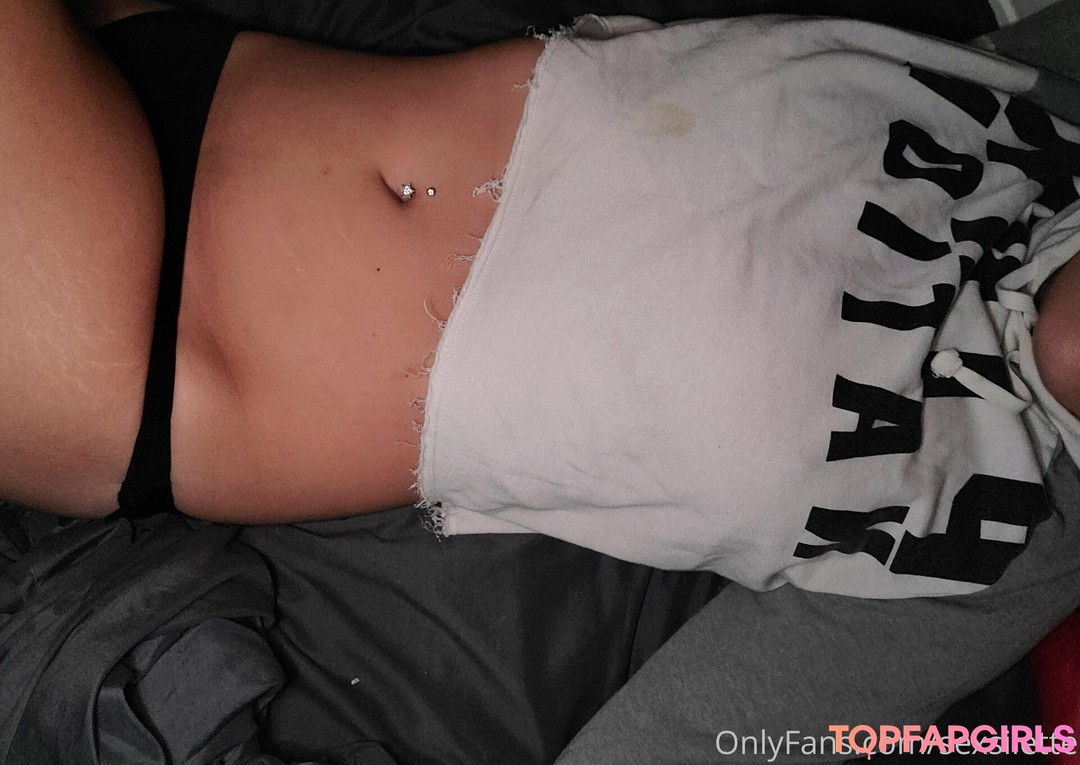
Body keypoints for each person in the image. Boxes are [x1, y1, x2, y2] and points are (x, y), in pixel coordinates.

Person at [2, 0, 1079, 598]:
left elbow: (737, 734)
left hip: (145, 346)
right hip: (186, 70)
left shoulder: (996, 536)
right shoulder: (1037, 120)